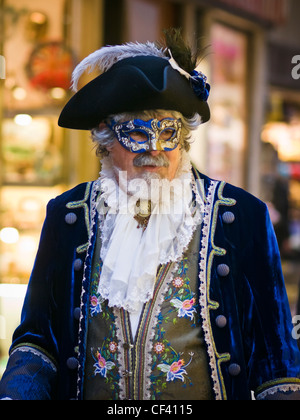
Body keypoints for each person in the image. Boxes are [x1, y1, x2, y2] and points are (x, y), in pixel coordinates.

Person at [0, 30, 300, 401]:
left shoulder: (242, 218)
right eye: (136, 133)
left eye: (168, 132)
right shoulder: (68, 215)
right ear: (105, 138)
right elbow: (37, 342)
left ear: (183, 138)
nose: (154, 149)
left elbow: (278, 365)